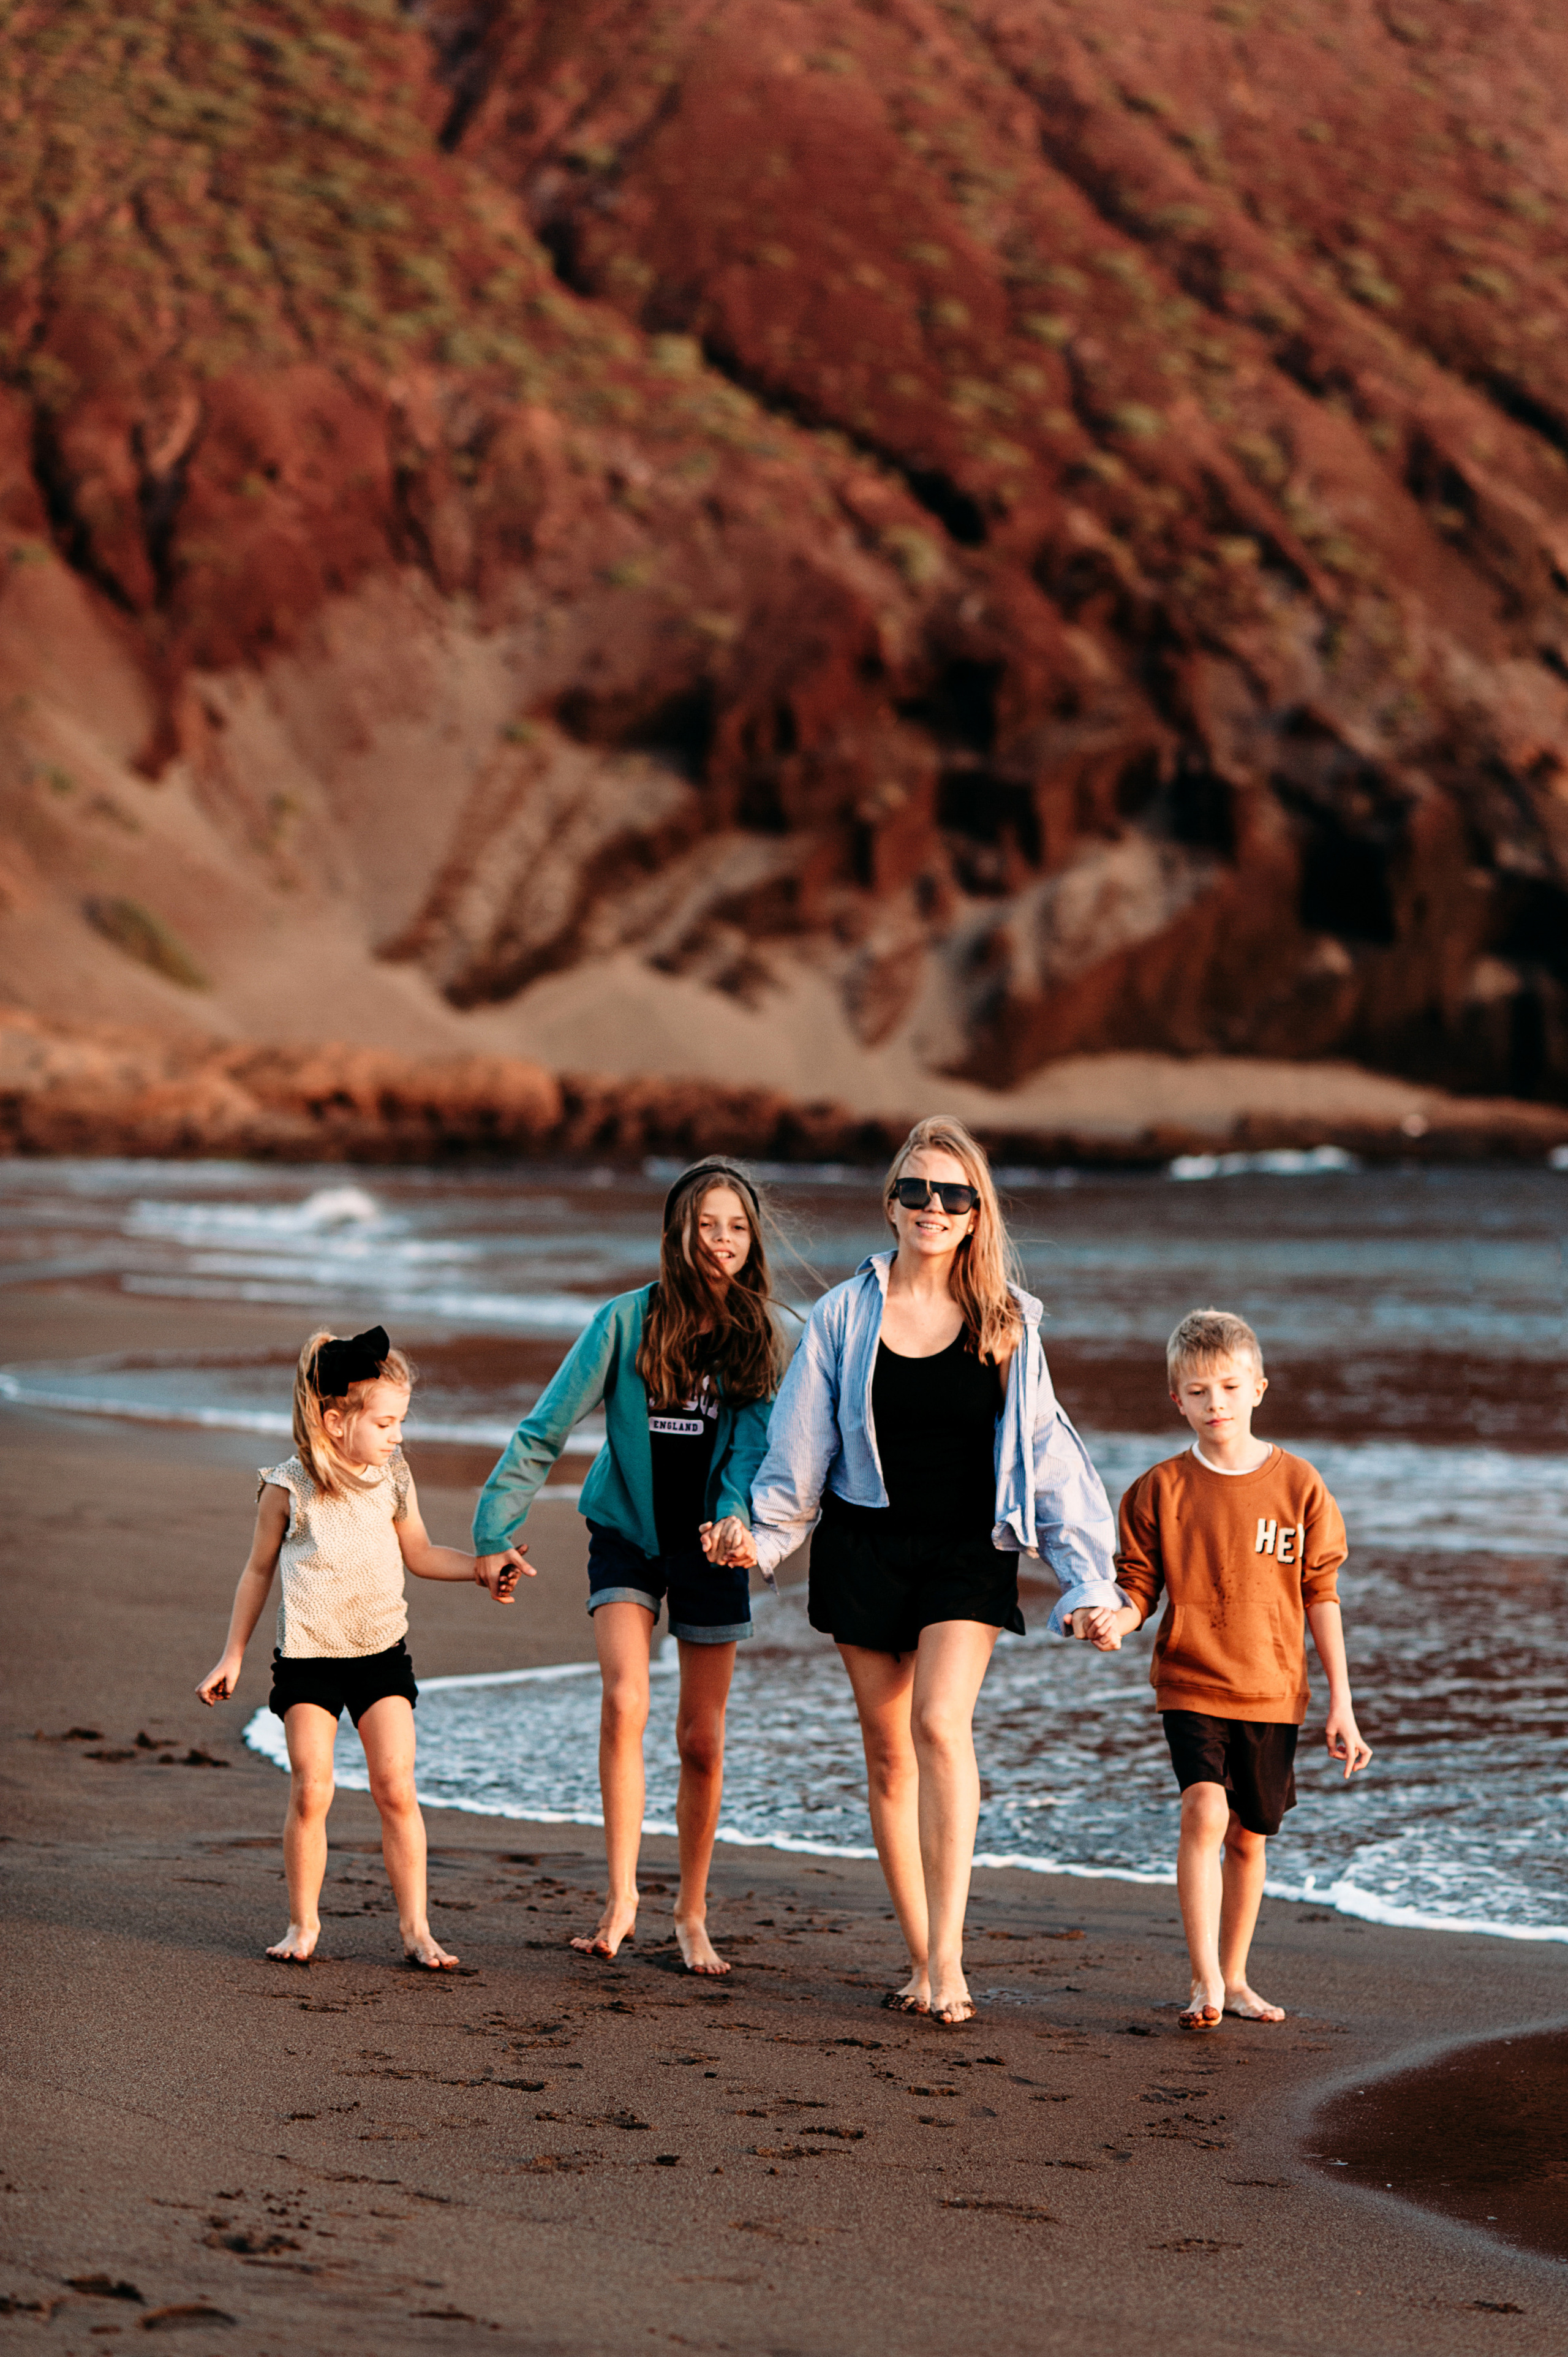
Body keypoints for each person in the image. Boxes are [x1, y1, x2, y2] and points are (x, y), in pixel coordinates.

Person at [709, 1116, 1124, 2026]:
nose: (932, 1207)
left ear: (977, 1214)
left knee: (941, 1722)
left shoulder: (1007, 1319)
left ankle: (951, 1956)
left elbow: (1050, 1456)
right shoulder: (843, 1314)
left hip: (967, 1549)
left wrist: (1092, 1582)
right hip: (866, 1545)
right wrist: (760, 1536)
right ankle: (918, 1952)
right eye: (916, 1190)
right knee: (890, 1751)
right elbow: (799, 1448)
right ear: (892, 1204)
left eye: (952, 1194)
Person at [472, 1160, 782, 1974]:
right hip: (627, 1530)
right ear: (680, 1232)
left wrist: (736, 1519)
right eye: (708, 1224)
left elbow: (752, 1451)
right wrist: (492, 1531)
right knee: (625, 1697)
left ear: (751, 1241)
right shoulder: (623, 1321)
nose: (722, 1240)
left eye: (737, 1227)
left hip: (713, 1542)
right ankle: (620, 1896)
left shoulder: (757, 1333)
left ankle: (689, 1910)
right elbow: (545, 1428)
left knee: (701, 1740)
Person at [1071, 1307, 1373, 2030]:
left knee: (1249, 1835)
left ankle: (1236, 1978)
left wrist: (1342, 1703)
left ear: (1259, 1388)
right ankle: (1205, 1980)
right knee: (1205, 1808)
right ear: (1177, 1398)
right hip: (1191, 1679)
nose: (1216, 1404)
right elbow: (1139, 1586)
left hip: (1274, 1689)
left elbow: (1320, 1593)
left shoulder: (1299, 1484)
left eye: (1230, 1388)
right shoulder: (1157, 1490)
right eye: (1199, 1392)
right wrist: (1118, 1615)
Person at [197, 1325, 522, 1968]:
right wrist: (232, 1653)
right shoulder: (288, 1488)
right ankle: (302, 1924)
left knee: (395, 1784)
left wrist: (483, 1567)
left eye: (400, 1421)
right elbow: (257, 1571)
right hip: (309, 1658)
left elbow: (423, 1553)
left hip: (380, 1654)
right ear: (335, 1418)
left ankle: (417, 1929)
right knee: (312, 1789)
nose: (398, 1435)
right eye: (387, 1421)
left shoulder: (394, 1475)